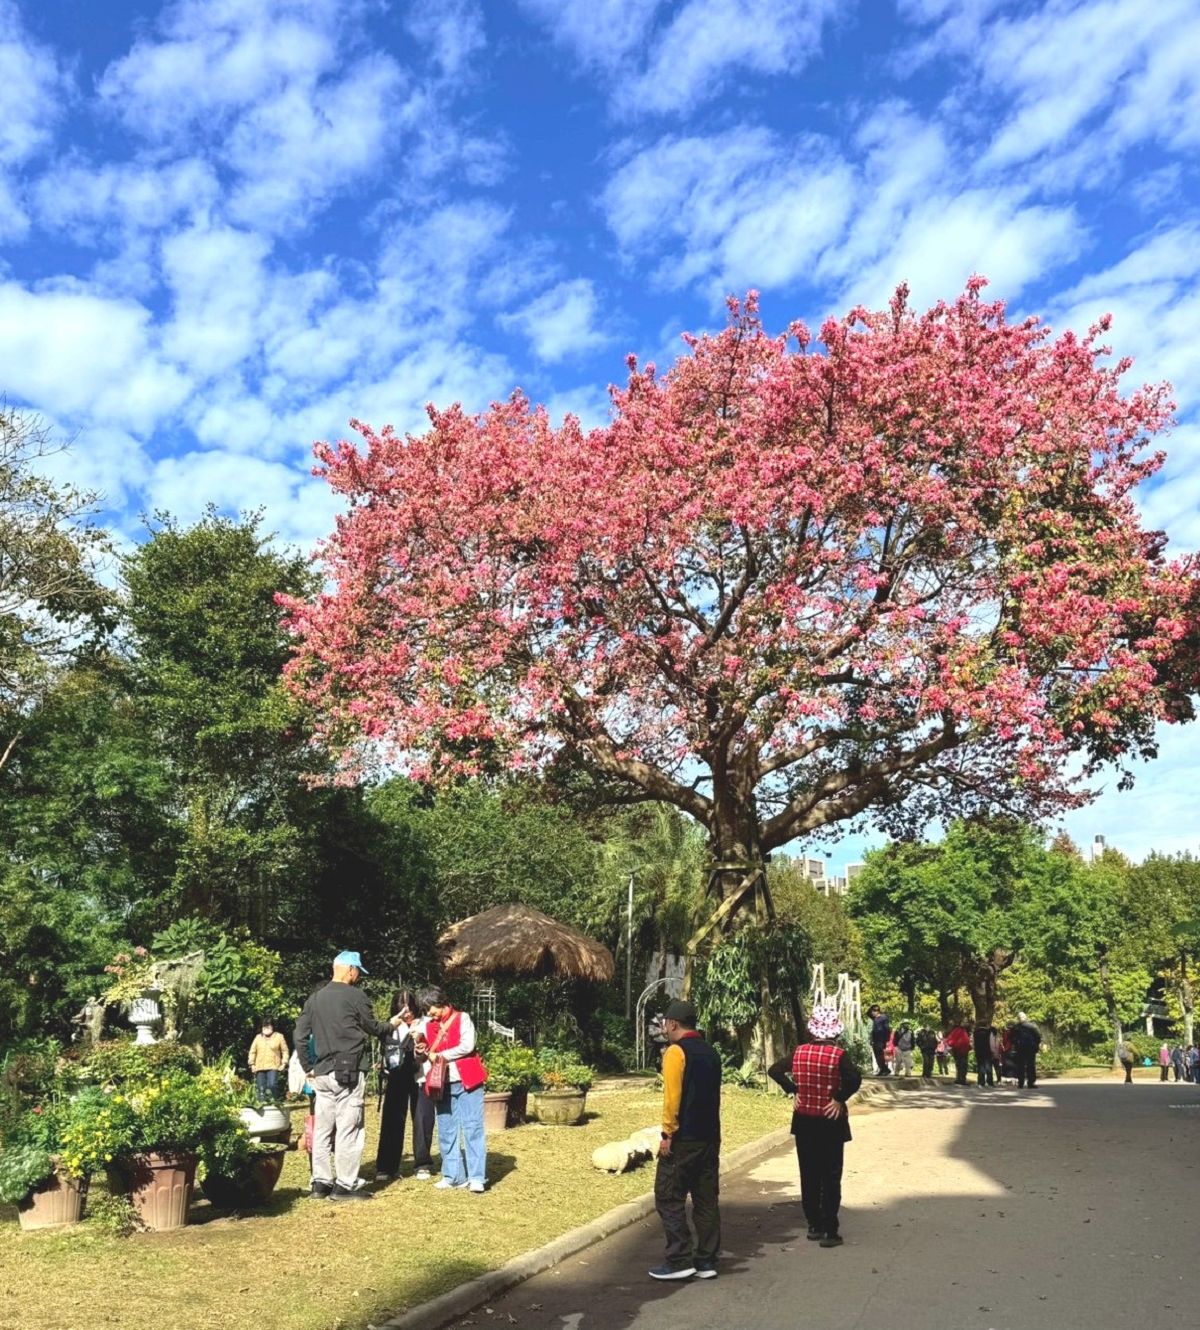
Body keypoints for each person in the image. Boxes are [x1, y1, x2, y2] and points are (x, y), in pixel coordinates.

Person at [295, 950, 408, 1200]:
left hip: (322, 1073)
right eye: (357, 971)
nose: (358, 976)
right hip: (349, 1070)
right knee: (349, 1127)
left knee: (324, 1128)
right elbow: (373, 1028)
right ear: (349, 970)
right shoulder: (356, 996)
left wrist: (308, 1066)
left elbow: (299, 1035)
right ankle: (346, 1184)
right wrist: (394, 1024)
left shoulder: (314, 999)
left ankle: (321, 1183)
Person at [768, 1005, 862, 1249]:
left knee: (809, 1174)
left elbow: (774, 1070)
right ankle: (830, 1231)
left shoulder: (799, 1053)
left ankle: (813, 1225)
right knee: (831, 1176)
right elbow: (854, 1079)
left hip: (804, 1121)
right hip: (830, 1121)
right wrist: (839, 1098)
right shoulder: (839, 1055)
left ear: (813, 1029)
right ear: (835, 1031)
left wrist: (793, 1090)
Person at [648, 998, 722, 1280]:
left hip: (684, 1138)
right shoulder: (711, 1052)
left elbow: (672, 1098)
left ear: (673, 1024)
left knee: (668, 1195)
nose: (664, 1027)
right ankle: (706, 1260)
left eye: (665, 1023)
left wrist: (667, 1133)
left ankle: (679, 1259)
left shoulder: (676, 1052)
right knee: (706, 1199)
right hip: (709, 1137)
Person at [419, 986, 488, 1193]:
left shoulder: (463, 1018)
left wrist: (441, 1056)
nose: (428, 1013)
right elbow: (427, 1049)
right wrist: (421, 1048)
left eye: (430, 1008)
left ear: (440, 1002)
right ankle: (453, 1175)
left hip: (468, 1080)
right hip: (443, 1082)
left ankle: (477, 1177)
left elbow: (468, 1045)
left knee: (473, 1127)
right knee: (446, 1130)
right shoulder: (428, 1025)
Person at [375, 989, 426, 1183]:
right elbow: (383, 1043)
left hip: (419, 1076)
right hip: (397, 1076)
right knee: (392, 1120)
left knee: (421, 1119)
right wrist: (393, 1025)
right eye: (401, 1006)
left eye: (410, 1006)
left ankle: (422, 1163)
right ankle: (386, 1166)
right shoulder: (392, 1025)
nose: (407, 1011)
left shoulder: (424, 1023)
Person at [247, 1018, 289, 1104]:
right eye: (264, 1027)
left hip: (273, 1066)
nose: (266, 1029)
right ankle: (262, 1106)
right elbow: (252, 1051)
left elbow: (285, 1051)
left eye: (268, 1027)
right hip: (260, 1066)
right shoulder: (258, 1037)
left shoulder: (279, 1037)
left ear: (273, 1027)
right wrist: (252, 1064)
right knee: (261, 1089)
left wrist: (284, 1063)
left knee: (272, 1085)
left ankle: (276, 1101)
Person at [945, 1018, 971, 1085]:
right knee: (961, 1065)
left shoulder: (964, 1030)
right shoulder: (958, 1030)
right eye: (964, 1022)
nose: (966, 1023)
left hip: (964, 1050)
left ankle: (961, 1079)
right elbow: (951, 1039)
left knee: (962, 1065)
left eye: (966, 1022)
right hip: (959, 1050)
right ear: (961, 1023)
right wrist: (949, 1048)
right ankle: (960, 1079)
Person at [868, 1005, 891, 1076]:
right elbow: (867, 1013)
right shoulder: (875, 1018)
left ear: (876, 1011)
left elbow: (887, 1029)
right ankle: (882, 1069)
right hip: (875, 1039)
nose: (872, 1013)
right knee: (877, 1055)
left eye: (872, 1012)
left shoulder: (883, 1018)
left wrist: (887, 1040)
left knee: (880, 1055)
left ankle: (885, 1069)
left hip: (881, 1040)